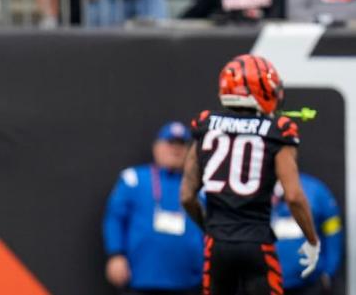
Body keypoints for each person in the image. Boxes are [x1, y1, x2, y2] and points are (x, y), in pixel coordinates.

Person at [180, 54, 321, 295]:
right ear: (261, 89)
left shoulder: (205, 124)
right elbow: (294, 196)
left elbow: (186, 196)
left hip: (217, 245)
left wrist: (212, 228)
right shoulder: (278, 130)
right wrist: (312, 240)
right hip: (257, 243)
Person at [103, 122, 204, 295]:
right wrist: (116, 254)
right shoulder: (134, 179)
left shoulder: (201, 187)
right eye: (170, 143)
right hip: (142, 279)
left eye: (182, 144)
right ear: (156, 147)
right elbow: (115, 217)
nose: (176, 149)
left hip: (189, 282)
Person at [273, 173, 343, 295]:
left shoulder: (315, 190)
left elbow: (333, 231)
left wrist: (329, 271)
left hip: (309, 283)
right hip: (267, 281)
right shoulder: (257, 191)